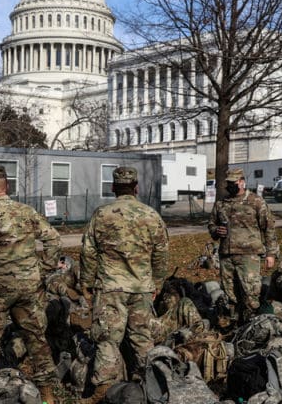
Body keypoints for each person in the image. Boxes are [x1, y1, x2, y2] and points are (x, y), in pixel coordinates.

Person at [0, 166, 61, 404]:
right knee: (36, 337)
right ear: (6, 187)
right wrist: (43, 270)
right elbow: (53, 238)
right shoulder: (26, 210)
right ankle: (47, 393)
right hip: (28, 286)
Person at [79, 166, 169, 401]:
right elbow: (161, 254)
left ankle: (104, 389)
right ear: (136, 188)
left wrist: (86, 282)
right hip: (141, 288)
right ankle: (150, 385)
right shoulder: (151, 215)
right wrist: (157, 282)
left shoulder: (102, 214)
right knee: (142, 337)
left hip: (111, 288)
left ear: (113, 188)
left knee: (108, 339)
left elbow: (88, 252)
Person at [208, 167, 277, 321]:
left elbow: (269, 228)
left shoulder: (256, 202)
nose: (230, 185)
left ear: (242, 182)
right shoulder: (221, 203)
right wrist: (216, 231)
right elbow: (211, 224)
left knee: (251, 293)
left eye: (233, 182)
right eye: (228, 183)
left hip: (249, 256)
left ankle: (253, 324)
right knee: (230, 293)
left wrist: (271, 254)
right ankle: (235, 324)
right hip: (227, 256)